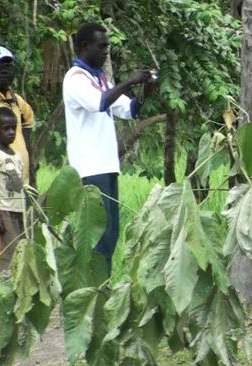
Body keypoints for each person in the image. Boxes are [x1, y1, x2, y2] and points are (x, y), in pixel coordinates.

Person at [63, 22, 153, 272]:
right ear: (84, 46)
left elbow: (131, 109)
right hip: (90, 167)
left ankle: (100, 287)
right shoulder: (75, 78)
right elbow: (100, 103)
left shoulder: (99, 79)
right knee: (98, 236)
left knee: (111, 232)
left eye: (107, 46)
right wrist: (129, 81)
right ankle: (92, 292)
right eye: (101, 46)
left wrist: (145, 88)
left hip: (106, 166)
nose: (106, 52)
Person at [0, 46, 35, 185]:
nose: (4, 71)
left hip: (22, 181)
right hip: (0, 183)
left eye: (8, 67)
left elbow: (27, 128)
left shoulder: (17, 101)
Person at [0, 107, 25, 273]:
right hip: (2, 212)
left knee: (18, 254)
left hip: (17, 212)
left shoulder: (17, 155)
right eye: (6, 128)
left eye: (14, 127)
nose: (12, 132)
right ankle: (0, 293)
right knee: (4, 256)